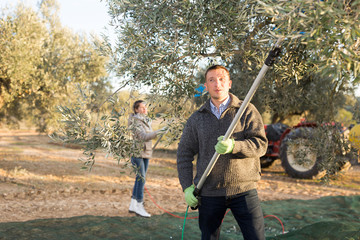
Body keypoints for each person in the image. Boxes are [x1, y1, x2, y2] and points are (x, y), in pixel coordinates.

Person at [177, 65, 268, 239]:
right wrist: (187, 187)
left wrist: (235, 146)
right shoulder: (197, 118)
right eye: (211, 80)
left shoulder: (246, 110)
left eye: (221, 79)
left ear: (229, 83)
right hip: (209, 192)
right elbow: (184, 155)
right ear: (205, 86)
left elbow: (261, 145)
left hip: (244, 189)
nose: (217, 84)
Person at [128, 100, 165, 218]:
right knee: (141, 179)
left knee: (139, 179)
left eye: (145, 107)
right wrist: (159, 131)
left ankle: (133, 205)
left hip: (145, 153)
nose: (145, 110)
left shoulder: (145, 120)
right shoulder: (135, 121)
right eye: (142, 108)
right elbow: (144, 136)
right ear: (136, 109)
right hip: (138, 154)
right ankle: (139, 206)